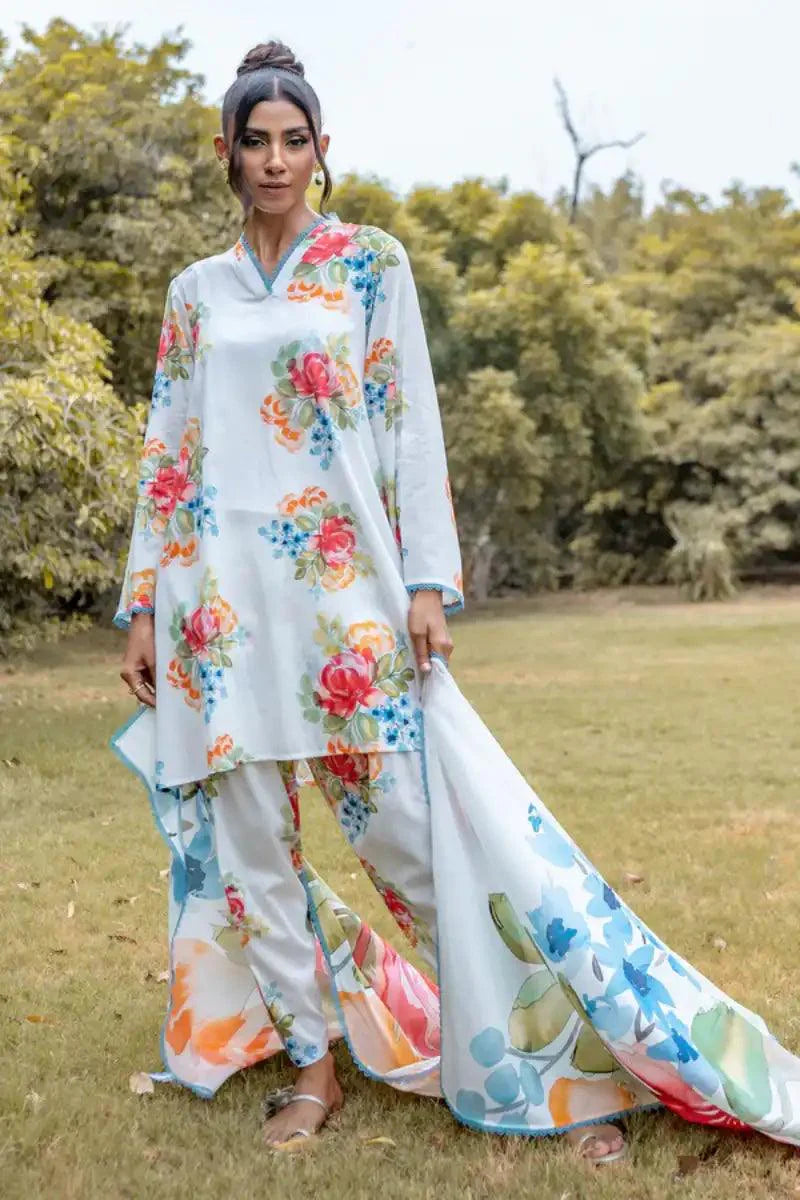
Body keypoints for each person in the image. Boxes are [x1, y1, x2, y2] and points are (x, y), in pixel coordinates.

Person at [113, 38, 800, 1162]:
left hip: (346, 603)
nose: (276, 160)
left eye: (295, 141)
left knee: (414, 847)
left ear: (322, 149)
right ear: (225, 152)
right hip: (215, 614)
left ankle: (543, 1064)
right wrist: (144, 603)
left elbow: (410, 426)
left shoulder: (369, 265)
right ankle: (311, 1068)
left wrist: (428, 583)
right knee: (251, 853)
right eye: (256, 142)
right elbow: (167, 454)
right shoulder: (196, 293)